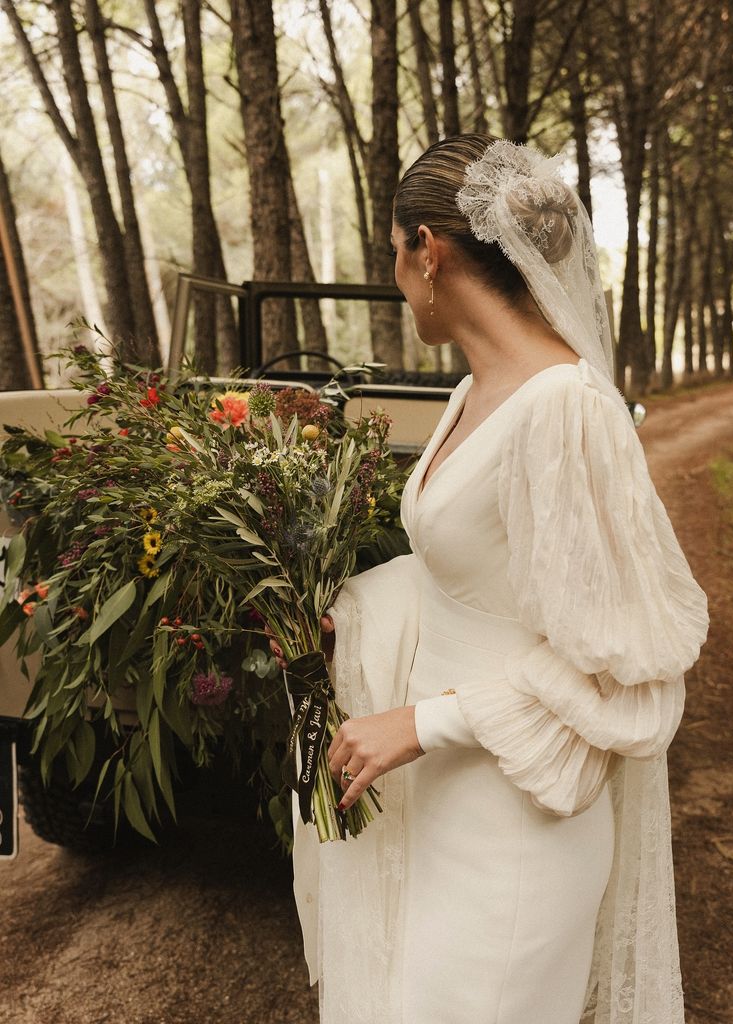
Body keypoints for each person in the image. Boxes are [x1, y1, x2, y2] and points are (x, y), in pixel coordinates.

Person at [271, 134, 709, 1024]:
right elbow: (465, 580)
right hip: (441, 797)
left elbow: (629, 664)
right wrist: (336, 611)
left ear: (427, 250)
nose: (397, 277)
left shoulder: (566, 410)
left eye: (394, 253)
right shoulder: (477, 389)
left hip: (517, 824)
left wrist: (425, 721)